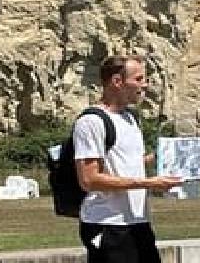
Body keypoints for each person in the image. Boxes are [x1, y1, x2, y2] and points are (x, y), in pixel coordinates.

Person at [75, 54, 183, 263]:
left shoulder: (131, 118)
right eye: (139, 79)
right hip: (108, 225)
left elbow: (124, 164)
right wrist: (147, 183)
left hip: (138, 222)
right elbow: (89, 180)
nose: (145, 85)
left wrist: (165, 158)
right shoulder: (91, 122)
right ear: (117, 81)